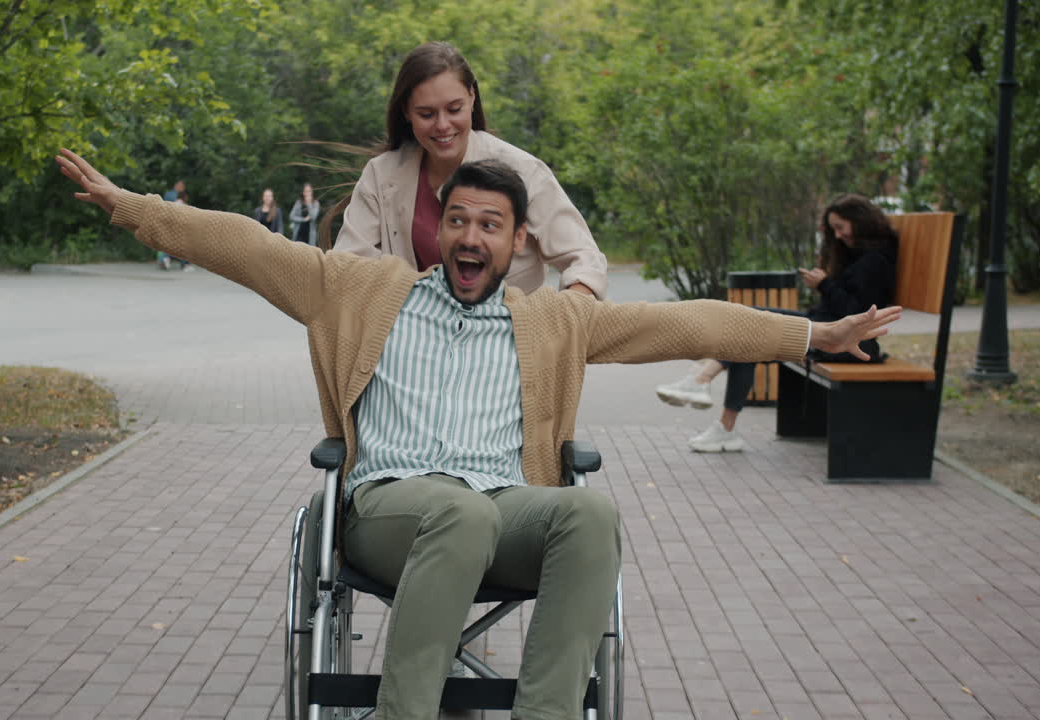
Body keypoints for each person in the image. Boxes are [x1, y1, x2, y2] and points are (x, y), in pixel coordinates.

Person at [56, 149, 900, 719]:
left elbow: (687, 323)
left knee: (589, 513)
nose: (470, 236)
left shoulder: (552, 322)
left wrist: (815, 335)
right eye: (458, 219)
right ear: (439, 229)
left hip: (503, 509)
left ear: (516, 241)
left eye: (490, 225)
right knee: (456, 512)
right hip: (391, 508)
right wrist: (137, 211)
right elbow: (247, 247)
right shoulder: (362, 292)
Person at [330, 41, 608, 299]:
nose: (442, 125)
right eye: (426, 114)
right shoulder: (381, 174)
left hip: (508, 331)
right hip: (412, 332)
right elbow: (347, 267)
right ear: (406, 111)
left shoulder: (524, 171)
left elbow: (584, 259)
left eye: (454, 109)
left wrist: (561, 318)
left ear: (472, 97)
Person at [655, 192, 899, 453]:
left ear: (859, 221)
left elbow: (858, 314)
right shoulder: (856, 254)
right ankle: (711, 401)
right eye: (833, 230)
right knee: (746, 325)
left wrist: (824, 284)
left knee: (748, 331)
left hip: (844, 341)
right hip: (824, 327)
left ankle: (704, 383)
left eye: (840, 227)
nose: (838, 235)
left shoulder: (875, 261)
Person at [158, 179, 187, 270]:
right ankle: (183, 263)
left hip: (169, 222)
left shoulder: (168, 194)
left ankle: (165, 259)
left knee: (168, 242)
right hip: (176, 224)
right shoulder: (176, 197)